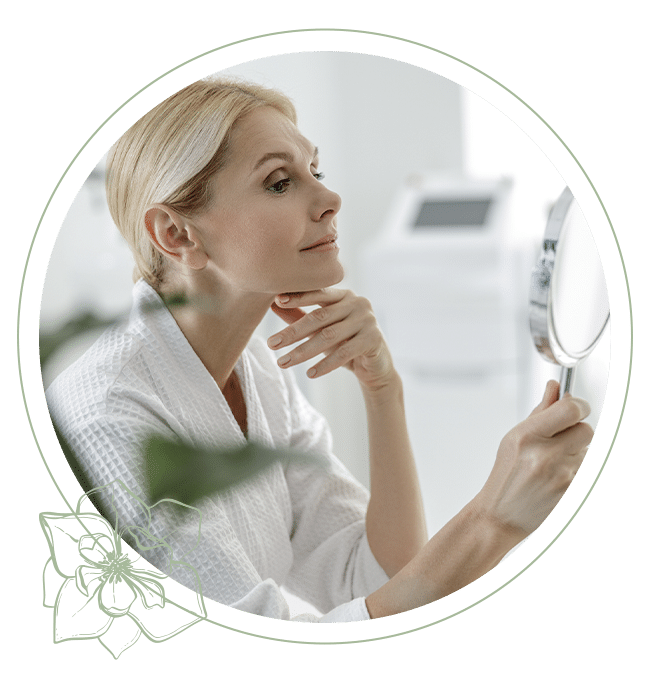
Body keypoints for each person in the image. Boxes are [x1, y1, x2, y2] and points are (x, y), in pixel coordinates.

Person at [45, 77, 593, 623]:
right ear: (177, 235)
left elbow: (381, 578)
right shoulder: (111, 414)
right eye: (280, 183)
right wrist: (492, 521)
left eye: (316, 171)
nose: (330, 200)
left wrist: (383, 392)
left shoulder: (256, 368)